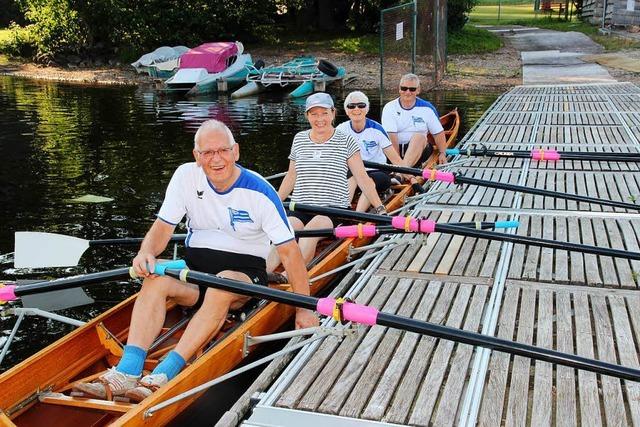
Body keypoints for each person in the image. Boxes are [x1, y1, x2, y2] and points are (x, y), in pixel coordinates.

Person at [74, 119, 317, 402]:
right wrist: (146, 252)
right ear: (196, 156)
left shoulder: (260, 192)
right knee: (155, 279)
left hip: (241, 281)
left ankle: (166, 372)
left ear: (236, 152)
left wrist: (303, 307)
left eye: (223, 151)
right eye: (207, 153)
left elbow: (289, 253)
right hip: (194, 274)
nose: (216, 159)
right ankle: (127, 372)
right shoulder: (185, 176)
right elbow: (163, 228)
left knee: (220, 284)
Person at [266, 92, 386, 273]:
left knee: (309, 233)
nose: (319, 119)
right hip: (301, 206)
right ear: (307, 116)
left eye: (324, 113)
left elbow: (362, 177)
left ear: (333, 113)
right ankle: (262, 275)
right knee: (284, 233)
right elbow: (291, 177)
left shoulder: (346, 140)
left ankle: (288, 276)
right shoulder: (299, 139)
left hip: (332, 210)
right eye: (314, 114)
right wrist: (272, 204)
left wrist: (380, 209)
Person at [336, 91, 404, 212]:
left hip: (377, 171)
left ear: (366, 109)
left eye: (361, 105)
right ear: (346, 111)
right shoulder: (340, 130)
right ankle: (342, 211)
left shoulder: (377, 129)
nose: (356, 109)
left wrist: (413, 179)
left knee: (367, 181)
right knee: (353, 175)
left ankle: (358, 215)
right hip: (353, 172)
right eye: (351, 106)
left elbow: (395, 159)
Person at [381, 73, 448, 168]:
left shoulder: (427, 108)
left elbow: (438, 134)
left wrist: (442, 153)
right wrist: (396, 163)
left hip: (421, 151)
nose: (408, 92)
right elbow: (392, 138)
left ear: (418, 90)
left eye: (412, 89)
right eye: (404, 88)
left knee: (418, 137)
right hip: (395, 152)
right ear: (399, 89)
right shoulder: (390, 108)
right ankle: (402, 170)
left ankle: (400, 173)